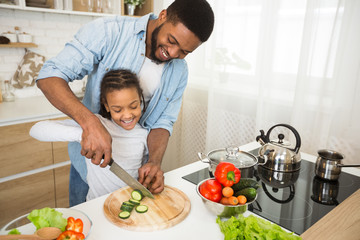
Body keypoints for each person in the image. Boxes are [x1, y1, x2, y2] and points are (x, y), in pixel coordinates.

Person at [36, 0, 215, 206]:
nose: (173, 54)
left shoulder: (180, 71)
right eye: (171, 40)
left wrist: (154, 162)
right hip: (89, 165)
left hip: (133, 171)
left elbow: (162, 122)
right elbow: (49, 77)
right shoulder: (109, 32)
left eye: (184, 52)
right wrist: (91, 124)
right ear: (163, 15)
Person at [30, 69, 148, 201]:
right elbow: (35, 129)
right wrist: (84, 135)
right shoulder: (96, 125)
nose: (127, 115)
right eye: (117, 109)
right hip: (96, 205)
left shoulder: (144, 134)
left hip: (130, 203)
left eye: (133, 106)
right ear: (107, 106)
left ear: (140, 99)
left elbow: (142, 171)